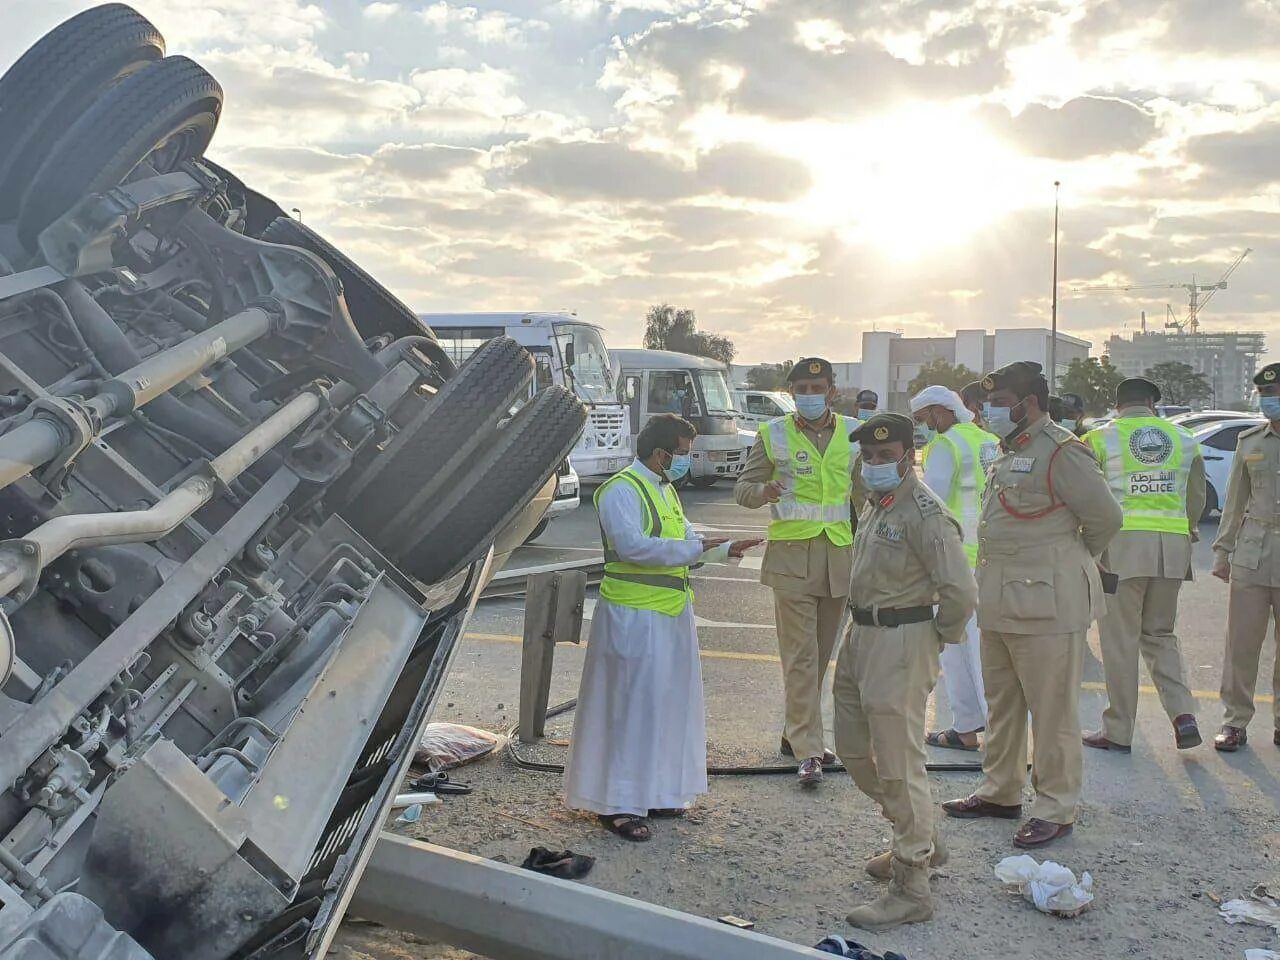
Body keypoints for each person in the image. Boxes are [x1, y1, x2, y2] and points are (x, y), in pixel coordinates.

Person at [942, 361, 1122, 849]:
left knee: (1051, 710)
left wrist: (1069, 558)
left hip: (1048, 601)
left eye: (1000, 404)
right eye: (989, 404)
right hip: (999, 596)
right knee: (1003, 704)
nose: (990, 412)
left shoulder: (1062, 451)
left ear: (1029, 403)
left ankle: (1056, 806)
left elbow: (1105, 517)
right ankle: (1000, 790)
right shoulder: (1008, 450)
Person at [565, 414, 761, 840]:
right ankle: (617, 804)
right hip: (633, 616)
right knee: (630, 710)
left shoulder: (665, 489)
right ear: (660, 453)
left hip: (671, 612)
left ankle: (655, 791)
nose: (685, 464)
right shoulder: (620, 490)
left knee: (665, 707)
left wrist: (724, 548)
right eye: (684, 454)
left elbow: (688, 541)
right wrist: (694, 547)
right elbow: (633, 546)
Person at [834, 413, 977, 930]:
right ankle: (921, 834)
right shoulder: (878, 503)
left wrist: (935, 638)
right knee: (852, 748)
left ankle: (911, 883)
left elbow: (960, 591)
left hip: (901, 640)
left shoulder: (924, 512)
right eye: (867, 457)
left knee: (898, 762)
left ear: (906, 454)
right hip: (861, 636)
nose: (874, 464)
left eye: (884, 455)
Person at [735, 358, 854, 786]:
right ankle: (809, 750)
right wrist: (763, 490)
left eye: (816, 387)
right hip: (791, 559)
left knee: (820, 657)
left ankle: (794, 732)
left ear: (832, 391)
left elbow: (865, 496)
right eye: (801, 388)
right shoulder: (773, 434)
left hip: (838, 556)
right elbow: (742, 491)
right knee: (800, 657)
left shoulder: (853, 434)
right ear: (793, 392)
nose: (809, 394)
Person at [1081, 377, 1205, 754]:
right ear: (1153, 402)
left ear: (1118, 404)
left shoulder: (1099, 439)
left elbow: (1089, 500)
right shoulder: (1184, 439)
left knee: (1120, 643)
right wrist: (1185, 533)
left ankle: (1118, 729)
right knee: (1160, 635)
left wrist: (1087, 549)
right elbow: (1195, 498)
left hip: (1119, 551)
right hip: (1171, 548)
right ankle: (1183, 714)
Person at [909, 385, 1000, 751]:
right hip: (986, 553)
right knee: (961, 647)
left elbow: (930, 504)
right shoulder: (986, 439)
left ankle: (996, 738)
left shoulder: (945, 445)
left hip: (955, 558)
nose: (921, 427)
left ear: (938, 412)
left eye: (922, 419)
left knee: (968, 649)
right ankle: (966, 728)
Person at [1210, 361, 1280, 752]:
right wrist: (1222, 551)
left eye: (1277, 394)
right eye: (1267, 395)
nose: (1271, 401)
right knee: (1241, 645)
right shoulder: (1250, 441)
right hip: (1252, 555)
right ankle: (1235, 721)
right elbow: (1235, 502)